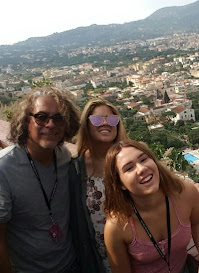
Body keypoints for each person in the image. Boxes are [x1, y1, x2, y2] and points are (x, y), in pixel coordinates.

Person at [0, 86, 81, 273]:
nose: (50, 124)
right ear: (26, 121)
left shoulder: (64, 156)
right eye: (41, 117)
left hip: (71, 264)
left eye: (58, 118)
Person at [103, 139, 199, 273]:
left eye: (143, 159)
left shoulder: (184, 193)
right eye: (129, 168)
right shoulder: (118, 226)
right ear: (120, 183)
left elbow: (198, 221)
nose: (141, 169)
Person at [69, 98, 128, 273]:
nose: (105, 124)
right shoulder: (75, 169)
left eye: (112, 120)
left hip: (135, 249)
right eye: (97, 119)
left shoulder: (129, 161)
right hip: (96, 256)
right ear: (86, 125)